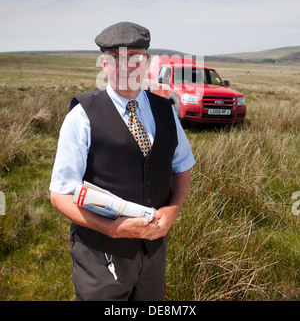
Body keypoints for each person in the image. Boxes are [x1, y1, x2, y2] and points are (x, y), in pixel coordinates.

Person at [49, 21, 195, 301]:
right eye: (116, 59)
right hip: (99, 256)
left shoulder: (166, 111)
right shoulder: (81, 117)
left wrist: (174, 210)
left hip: (153, 252)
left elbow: (182, 167)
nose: (126, 67)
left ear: (148, 62)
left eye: (135, 58)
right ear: (104, 64)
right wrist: (111, 229)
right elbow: (60, 195)